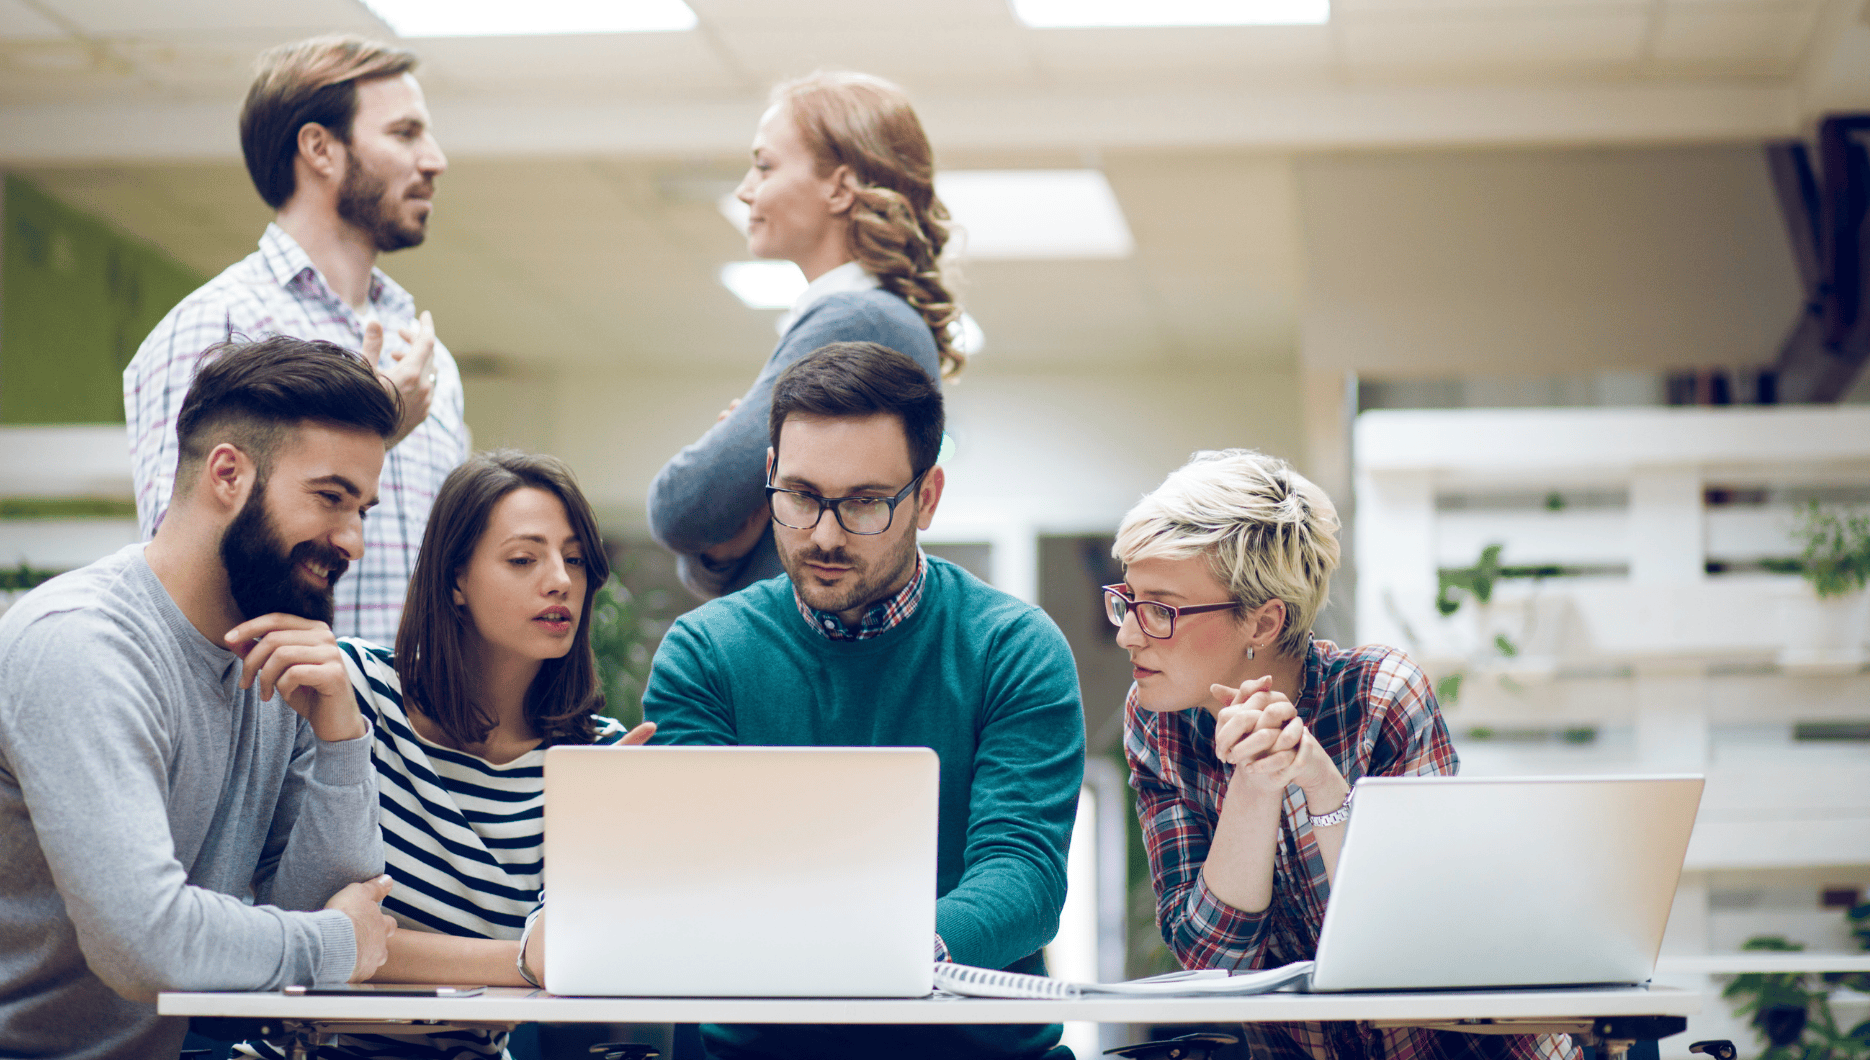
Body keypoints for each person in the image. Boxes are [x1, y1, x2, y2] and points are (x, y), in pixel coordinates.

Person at [0, 337, 401, 1059]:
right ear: (228, 473)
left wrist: (344, 738)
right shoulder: (84, 648)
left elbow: (319, 914)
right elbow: (147, 944)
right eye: (329, 498)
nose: (352, 539)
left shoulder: (280, 652)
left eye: (364, 510)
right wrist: (337, 942)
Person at [643, 341, 1085, 1060]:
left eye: (864, 504)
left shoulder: (1012, 647)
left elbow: (1023, 875)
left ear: (928, 498)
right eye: (800, 496)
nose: (824, 534)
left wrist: (892, 955)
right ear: (769, 477)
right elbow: (701, 878)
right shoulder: (706, 653)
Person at [1112, 449, 1576, 1060]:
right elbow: (1215, 966)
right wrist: (1257, 781)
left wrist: (1323, 787)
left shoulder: (1381, 694)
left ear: (1263, 622)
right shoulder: (1157, 724)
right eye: (1128, 598)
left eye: (1161, 609)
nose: (1127, 632)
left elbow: (1419, 943)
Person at [236, 449, 655, 1060]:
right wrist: (525, 960)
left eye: (574, 560)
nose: (560, 580)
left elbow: (584, 957)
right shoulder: (351, 690)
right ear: (455, 578)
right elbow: (296, 924)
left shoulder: (600, 754)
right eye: (523, 558)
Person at [124, 33, 467, 645]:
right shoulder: (219, 325)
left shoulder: (425, 354)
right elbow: (180, 574)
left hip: (412, 734)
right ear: (320, 149)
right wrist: (376, 421)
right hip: (283, 728)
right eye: (405, 134)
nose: (434, 159)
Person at [647, 70, 963, 601]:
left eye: (764, 166)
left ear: (839, 187)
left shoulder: (856, 321)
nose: (746, 191)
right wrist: (723, 545)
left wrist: (730, 503)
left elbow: (681, 507)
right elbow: (710, 539)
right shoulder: (863, 316)